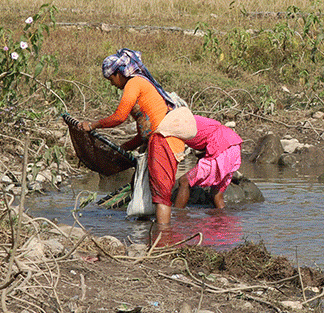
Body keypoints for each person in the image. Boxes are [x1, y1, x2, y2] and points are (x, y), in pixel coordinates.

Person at [79, 48, 187, 227]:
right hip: (156, 142)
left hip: (165, 141)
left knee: (161, 196)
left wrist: (93, 125)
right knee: (144, 188)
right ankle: (146, 230)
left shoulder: (134, 83)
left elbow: (119, 116)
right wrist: (124, 147)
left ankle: (163, 239)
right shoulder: (138, 85)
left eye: (111, 79)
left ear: (119, 73)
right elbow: (143, 133)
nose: (112, 84)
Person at [174, 114, 242, 210]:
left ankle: (178, 217)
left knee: (184, 181)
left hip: (221, 146)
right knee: (216, 193)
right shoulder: (191, 119)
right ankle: (223, 221)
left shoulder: (174, 126)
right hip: (233, 144)